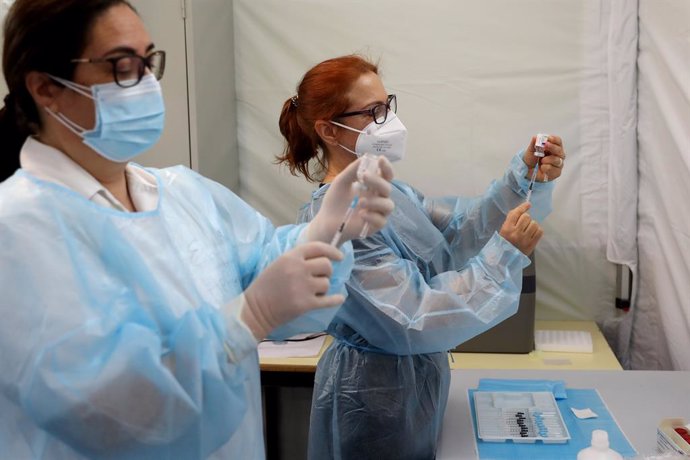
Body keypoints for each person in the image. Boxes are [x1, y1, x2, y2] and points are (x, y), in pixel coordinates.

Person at [0, 4, 395, 459]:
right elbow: (118, 415)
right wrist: (249, 317)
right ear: (46, 88)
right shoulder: (20, 230)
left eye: (149, 62)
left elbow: (267, 268)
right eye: (123, 66)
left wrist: (328, 230)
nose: (147, 83)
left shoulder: (182, 193)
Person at [277, 55, 566, 459]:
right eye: (373, 112)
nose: (389, 121)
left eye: (388, 105)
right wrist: (504, 256)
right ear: (328, 129)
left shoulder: (388, 191)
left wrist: (523, 178)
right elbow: (413, 317)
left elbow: (460, 231)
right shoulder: (340, 221)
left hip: (412, 389)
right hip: (374, 400)